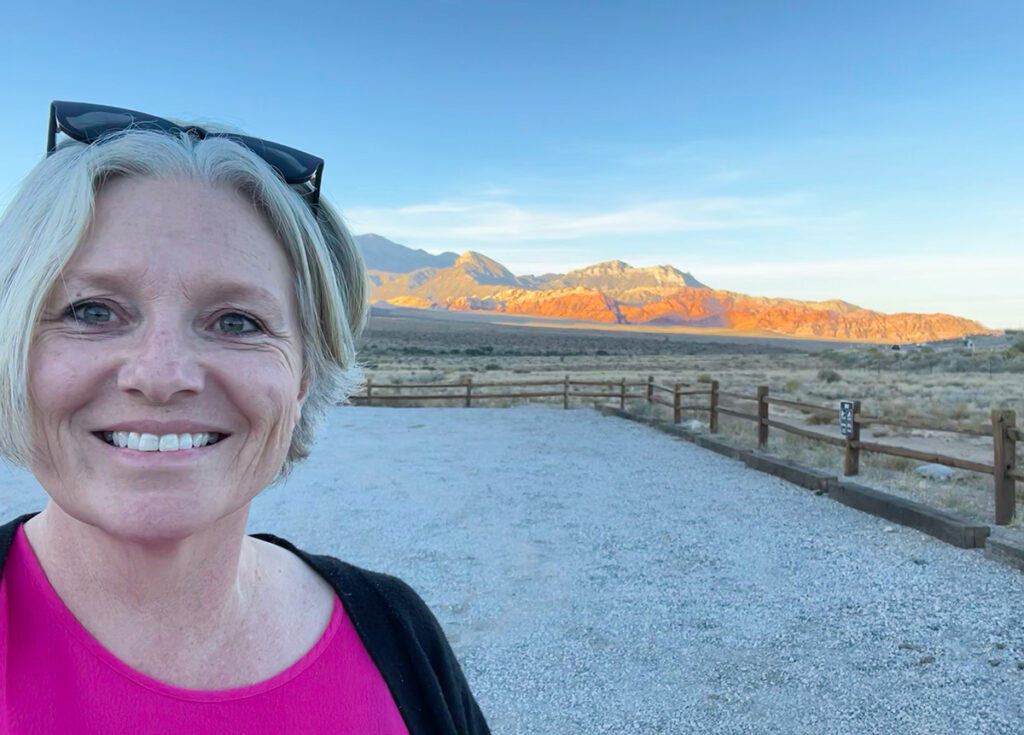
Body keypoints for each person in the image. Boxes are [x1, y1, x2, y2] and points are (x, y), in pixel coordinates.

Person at [0, 101, 490, 734]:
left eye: (238, 322)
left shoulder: (396, 632)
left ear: (304, 374)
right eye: (92, 311)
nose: (160, 374)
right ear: (13, 348)